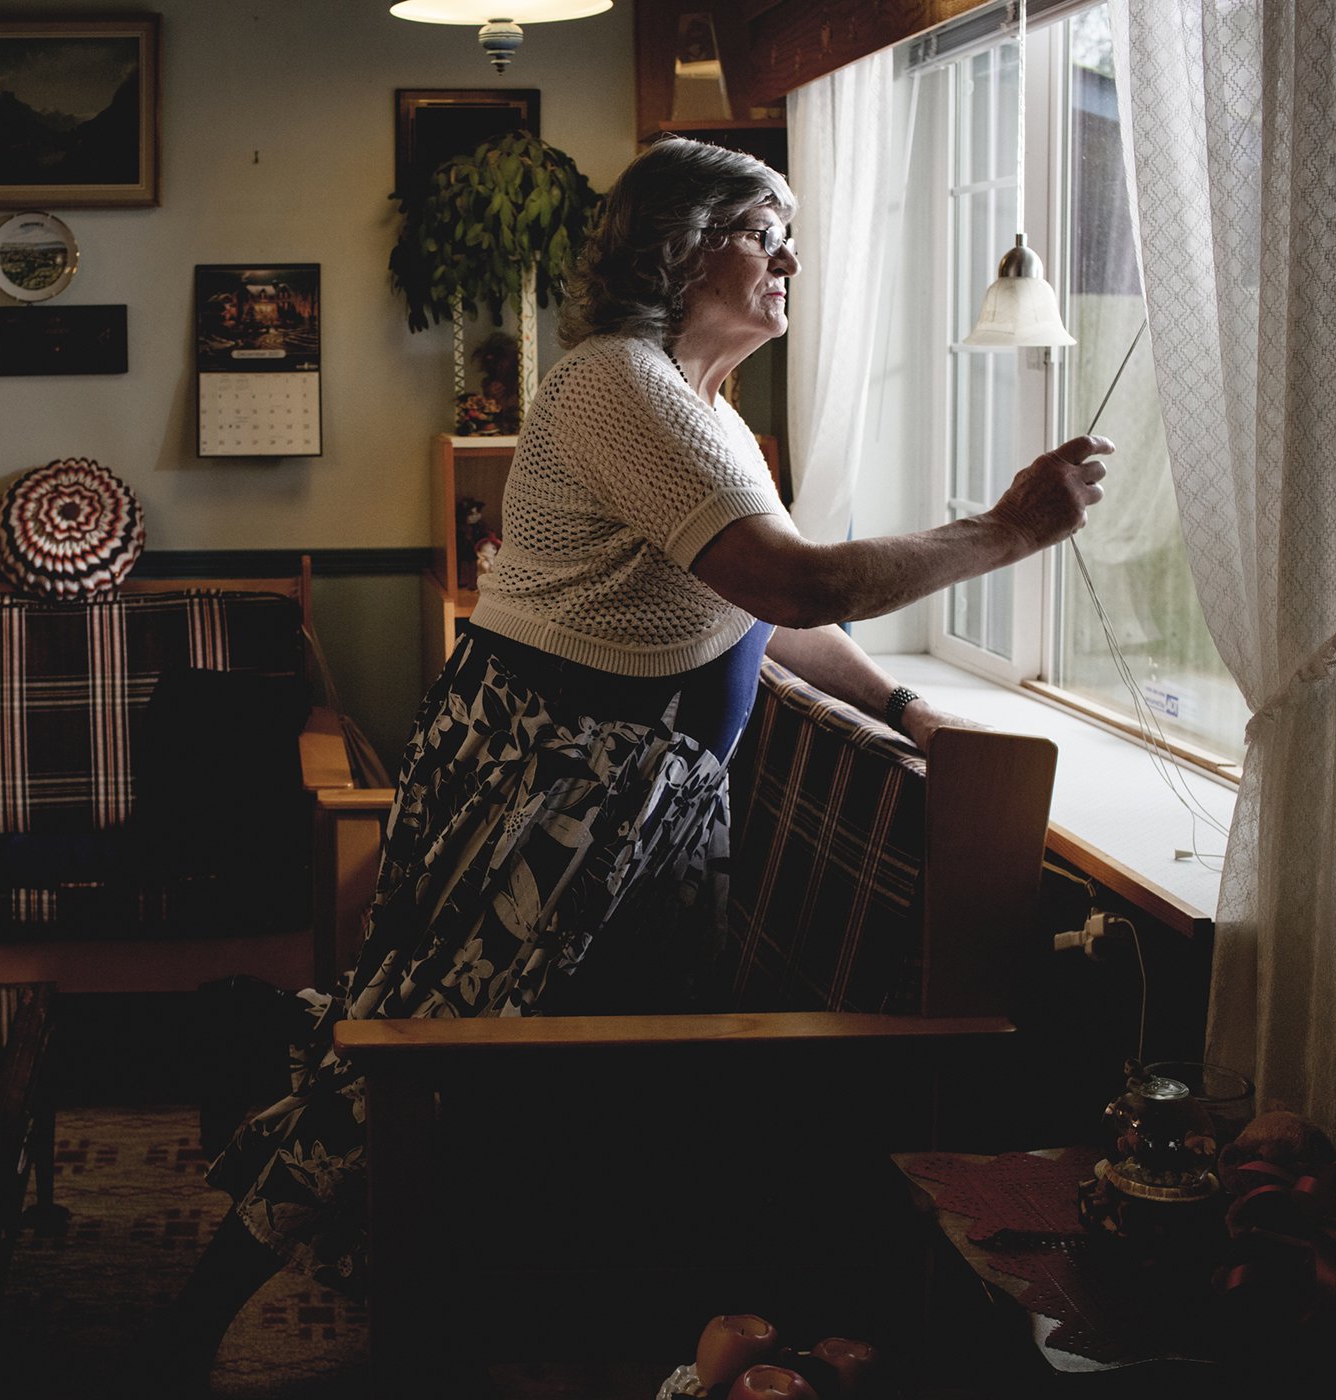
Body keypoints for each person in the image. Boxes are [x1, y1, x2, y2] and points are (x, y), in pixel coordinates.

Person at [169, 138, 1113, 1388]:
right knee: (406, 1052)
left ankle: (560, 1329)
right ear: (678, 247)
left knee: (610, 1091)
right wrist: (1004, 531)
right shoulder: (618, 382)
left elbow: (761, 616)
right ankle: (193, 1322)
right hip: (542, 780)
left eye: (791, 234)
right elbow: (796, 578)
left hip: (650, 791)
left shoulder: (712, 418)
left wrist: (897, 700)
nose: (788, 257)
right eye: (762, 229)